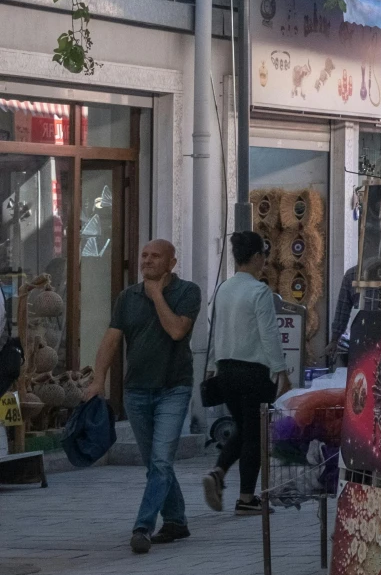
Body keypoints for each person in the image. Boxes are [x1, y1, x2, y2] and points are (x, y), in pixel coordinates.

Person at [85, 239, 202, 554]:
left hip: (174, 389)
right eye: (144, 255)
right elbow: (111, 340)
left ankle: (142, 527)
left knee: (161, 460)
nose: (147, 261)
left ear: (171, 263)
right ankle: (176, 521)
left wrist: (156, 295)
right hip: (136, 391)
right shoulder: (127, 298)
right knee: (156, 464)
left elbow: (177, 330)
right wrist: (99, 381)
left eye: (155, 256)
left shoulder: (188, 292)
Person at [202, 231, 294, 515]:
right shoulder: (259, 291)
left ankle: (218, 471)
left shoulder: (223, 289)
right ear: (256, 257)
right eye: (263, 257)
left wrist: (212, 366)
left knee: (244, 428)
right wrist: (281, 372)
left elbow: (215, 330)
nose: (264, 263)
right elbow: (269, 335)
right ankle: (246, 498)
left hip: (226, 371)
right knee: (255, 434)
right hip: (254, 373)